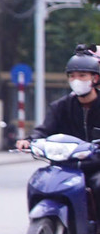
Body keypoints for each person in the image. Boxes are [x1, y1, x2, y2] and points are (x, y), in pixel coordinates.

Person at [19, 48, 100, 203]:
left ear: (94, 78)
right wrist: (29, 140)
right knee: (41, 182)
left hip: (96, 165)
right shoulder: (60, 106)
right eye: (72, 76)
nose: (76, 80)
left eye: (82, 76)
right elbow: (44, 129)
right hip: (67, 165)